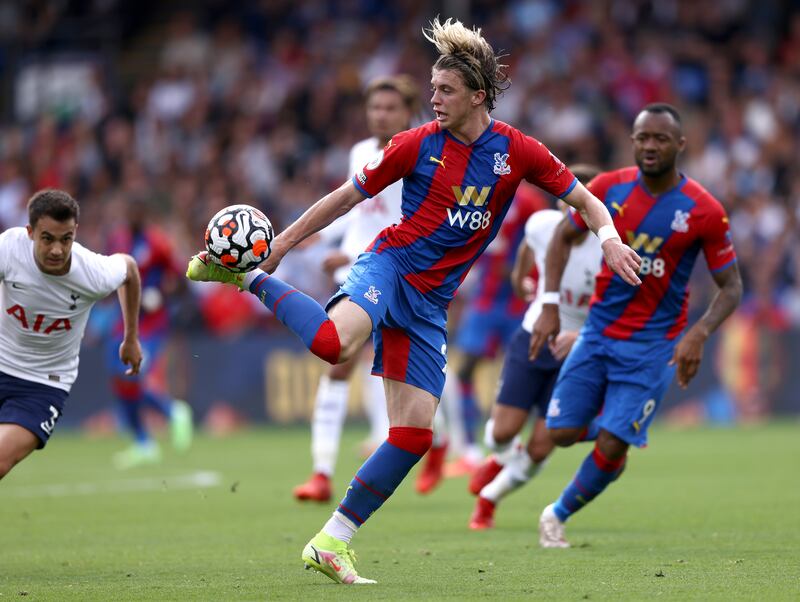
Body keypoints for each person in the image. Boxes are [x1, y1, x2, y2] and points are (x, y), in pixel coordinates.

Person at [187, 17, 640, 584]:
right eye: (432, 90)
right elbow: (342, 198)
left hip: (430, 303)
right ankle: (242, 278)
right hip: (391, 265)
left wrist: (610, 238)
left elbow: (586, 200)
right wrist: (279, 247)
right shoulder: (416, 144)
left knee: (416, 433)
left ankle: (334, 540)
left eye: (445, 91)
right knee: (333, 344)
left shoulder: (518, 151)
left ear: (478, 96)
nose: (434, 100)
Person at [531, 103, 742, 548]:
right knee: (561, 433)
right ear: (633, 140)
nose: (650, 146)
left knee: (609, 445)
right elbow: (562, 238)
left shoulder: (704, 210)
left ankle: (558, 512)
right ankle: (617, 436)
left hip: (653, 345)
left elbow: (732, 286)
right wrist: (549, 304)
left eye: (660, 138)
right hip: (598, 333)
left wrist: (698, 333)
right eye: (643, 137)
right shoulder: (607, 188)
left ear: (680, 145)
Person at [294, 74, 421, 502]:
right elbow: (361, 209)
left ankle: (438, 448)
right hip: (359, 268)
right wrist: (327, 237)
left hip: (398, 271)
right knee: (338, 359)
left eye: (389, 108)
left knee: (409, 370)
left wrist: (351, 254)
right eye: (375, 108)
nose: (380, 115)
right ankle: (322, 471)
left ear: (408, 113)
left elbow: (406, 221)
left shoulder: (418, 155)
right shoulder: (360, 153)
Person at [467, 165, 603, 530]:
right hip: (533, 337)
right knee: (501, 433)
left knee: (542, 446)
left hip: (576, 351)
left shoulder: (608, 247)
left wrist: (585, 335)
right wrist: (521, 280)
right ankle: (497, 459)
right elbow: (527, 249)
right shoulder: (542, 225)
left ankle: (489, 499)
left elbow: (618, 307)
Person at [0, 189, 142, 480]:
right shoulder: (8, 248)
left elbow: (129, 269)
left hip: (42, 385)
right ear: (30, 232)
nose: (56, 250)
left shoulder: (92, 272)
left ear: (75, 232)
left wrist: (131, 337)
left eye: (66, 239)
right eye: (47, 238)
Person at [441, 182, 545, 479]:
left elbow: (548, 241)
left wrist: (521, 271)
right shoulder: (477, 193)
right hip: (485, 301)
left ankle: (512, 445)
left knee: (520, 373)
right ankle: (471, 452)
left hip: (518, 301)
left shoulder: (529, 200)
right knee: (464, 371)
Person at [104, 196, 192, 469]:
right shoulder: (117, 240)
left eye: (138, 212)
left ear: (145, 214)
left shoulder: (158, 243)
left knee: (131, 374)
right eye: (129, 211)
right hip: (122, 322)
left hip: (152, 325)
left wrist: (160, 294)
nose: (133, 217)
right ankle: (144, 442)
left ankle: (171, 412)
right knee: (119, 380)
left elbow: (181, 280)